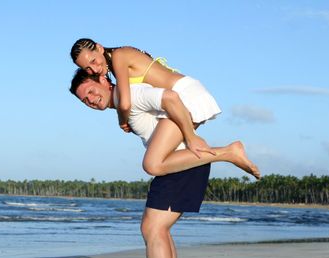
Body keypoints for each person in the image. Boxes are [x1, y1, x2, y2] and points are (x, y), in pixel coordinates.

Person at [69, 69, 259, 258]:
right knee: (158, 230)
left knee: (153, 229)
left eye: (91, 91)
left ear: (104, 80)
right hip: (181, 165)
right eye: (85, 100)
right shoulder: (124, 105)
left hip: (183, 164)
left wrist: (192, 138)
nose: (91, 100)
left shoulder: (134, 94)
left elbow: (170, 97)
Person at [70, 38, 249, 179]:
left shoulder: (119, 56)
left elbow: (125, 103)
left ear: (99, 47)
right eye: (87, 68)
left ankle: (228, 152)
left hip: (185, 95)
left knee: (152, 164)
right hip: (175, 101)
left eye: (93, 60)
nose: (94, 68)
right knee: (159, 160)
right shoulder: (113, 65)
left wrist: (122, 121)